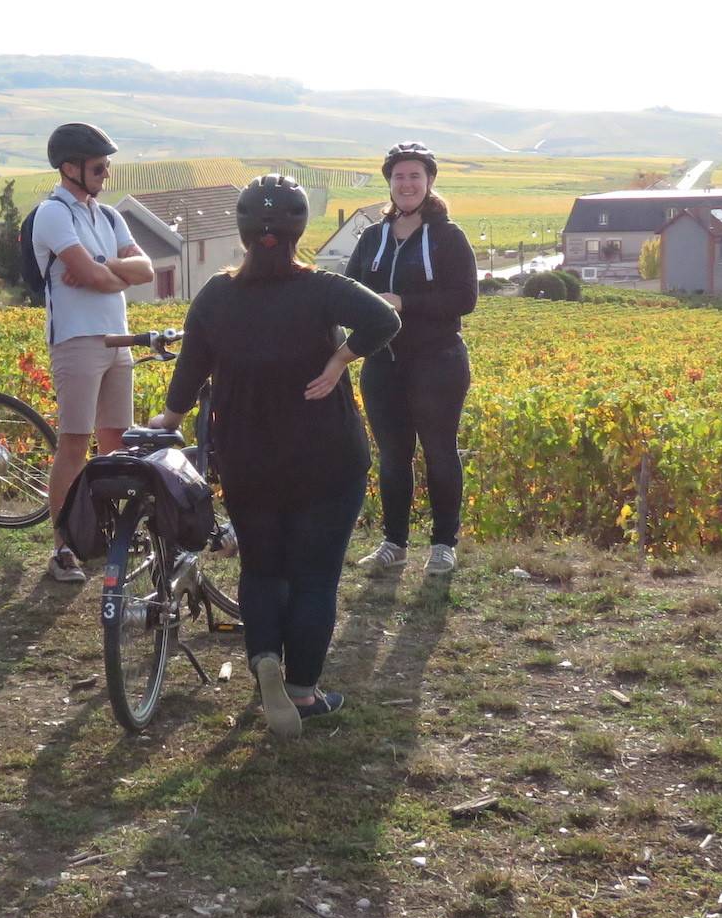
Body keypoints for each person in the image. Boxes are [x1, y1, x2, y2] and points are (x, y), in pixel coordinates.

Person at [152, 174, 399, 738]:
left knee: (261, 567)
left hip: (248, 456)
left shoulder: (216, 294)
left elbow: (189, 369)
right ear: (298, 231)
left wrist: (169, 418)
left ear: (242, 232)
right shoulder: (321, 289)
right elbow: (386, 320)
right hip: (327, 455)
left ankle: (264, 656)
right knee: (315, 576)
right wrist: (340, 360)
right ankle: (303, 692)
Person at [343, 142, 478, 577]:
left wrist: (404, 301)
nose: (406, 184)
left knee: (440, 452)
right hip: (383, 362)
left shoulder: (448, 236)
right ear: (389, 182)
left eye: (415, 176)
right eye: (399, 176)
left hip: (437, 360)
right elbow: (348, 289)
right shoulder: (372, 237)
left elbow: (465, 298)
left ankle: (443, 545)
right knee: (393, 456)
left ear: (430, 182)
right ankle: (394, 543)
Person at [34, 122, 154, 583]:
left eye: (107, 166)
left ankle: (107, 534)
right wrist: (108, 272)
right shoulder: (53, 213)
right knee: (74, 443)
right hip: (77, 339)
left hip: (116, 339)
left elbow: (139, 271)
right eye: (98, 166)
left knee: (115, 443)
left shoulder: (107, 217)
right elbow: (98, 275)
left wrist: (104, 266)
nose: (106, 173)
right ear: (70, 168)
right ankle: (63, 547)